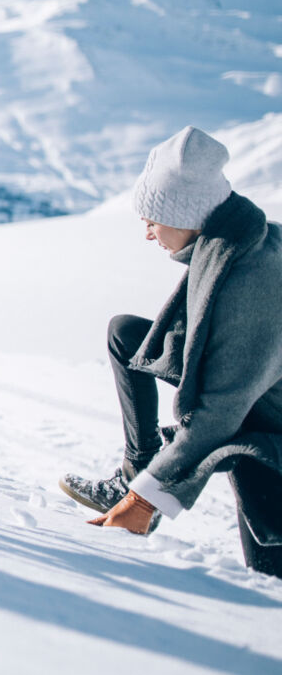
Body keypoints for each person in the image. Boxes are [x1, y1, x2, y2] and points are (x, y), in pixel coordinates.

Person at [59, 126, 282, 576]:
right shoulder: (231, 242)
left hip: (268, 428)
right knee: (126, 335)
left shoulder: (248, 280)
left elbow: (221, 411)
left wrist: (146, 501)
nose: (147, 234)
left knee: (268, 578)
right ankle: (133, 471)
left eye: (151, 221)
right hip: (257, 400)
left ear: (187, 215)